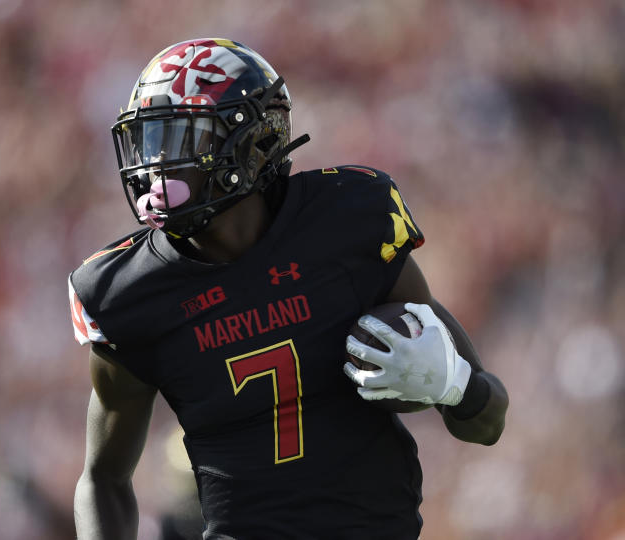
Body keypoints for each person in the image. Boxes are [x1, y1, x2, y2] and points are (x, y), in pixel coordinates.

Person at [69, 38, 508, 540]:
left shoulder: (349, 221)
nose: (157, 167)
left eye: (182, 140)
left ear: (253, 143)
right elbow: (103, 478)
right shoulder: (126, 292)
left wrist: (454, 384)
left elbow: (487, 421)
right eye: (152, 142)